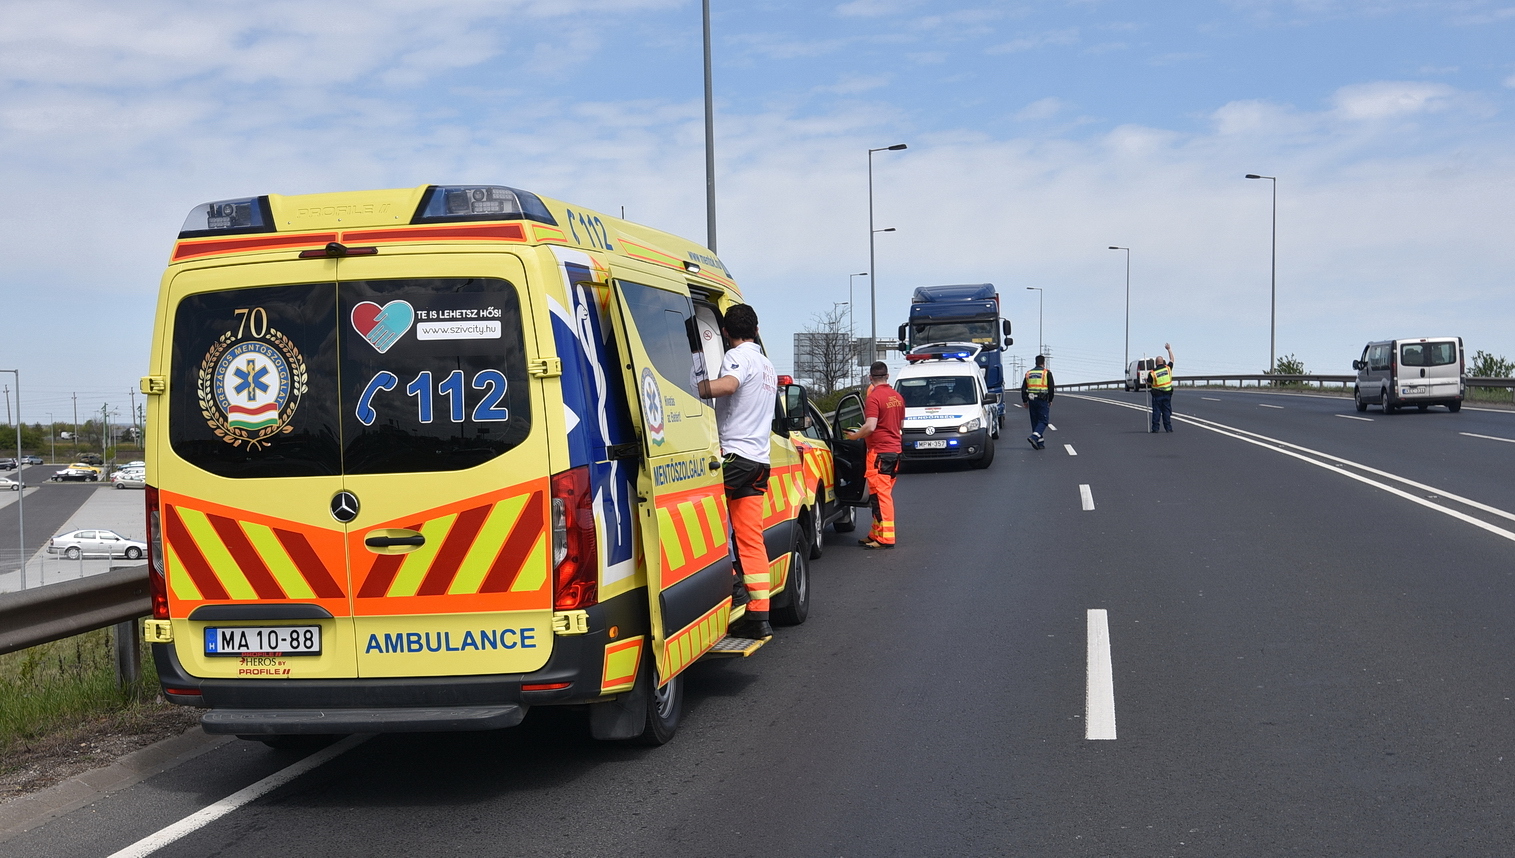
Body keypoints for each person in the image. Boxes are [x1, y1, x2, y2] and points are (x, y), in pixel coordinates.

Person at [697, 304, 778, 640]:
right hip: (759, 462)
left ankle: (733, 586)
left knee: (698, 515)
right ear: (757, 330)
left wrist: (691, 389)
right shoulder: (767, 365)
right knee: (750, 538)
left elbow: (727, 387)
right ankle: (759, 617)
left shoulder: (737, 357)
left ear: (727, 334)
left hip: (734, 455)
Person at [846, 361, 904, 550]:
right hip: (894, 452)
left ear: (871, 378)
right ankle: (875, 533)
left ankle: (886, 537)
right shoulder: (897, 397)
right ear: (887, 376)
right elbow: (900, 425)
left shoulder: (874, 398)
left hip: (879, 453)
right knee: (877, 496)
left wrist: (855, 436)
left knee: (881, 496)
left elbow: (870, 426)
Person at [1021, 355, 1054, 450]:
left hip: (1032, 400)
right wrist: (1050, 399)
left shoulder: (1029, 373)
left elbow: (1023, 388)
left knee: (1035, 421)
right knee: (1043, 421)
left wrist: (1024, 400)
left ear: (1035, 362)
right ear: (1043, 363)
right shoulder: (1046, 373)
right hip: (1042, 400)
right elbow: (1051, 387)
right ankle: (1034, 437)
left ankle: (1040, 443)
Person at [1149, 343, 1176, 433]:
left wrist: (1146, 380)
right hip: (1167, 394)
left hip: (1157, 395)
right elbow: (1172, 359)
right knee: (1166, 411)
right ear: (1163, 362)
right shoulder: (1168, 368)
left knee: (1157, 411)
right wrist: (1169, 349)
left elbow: (1149, 382)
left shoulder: (1152, 373)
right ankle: (1168, 428)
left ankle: (1155, 428)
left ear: (1156, 363)